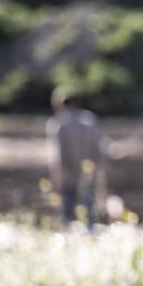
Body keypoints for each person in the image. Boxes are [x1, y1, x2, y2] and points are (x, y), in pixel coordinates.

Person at [46, 88, 106, 225]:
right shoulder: (90, 120)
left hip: (68, 177)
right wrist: (100, 175)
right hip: (89, 176)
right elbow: (100, 151)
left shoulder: (58, 124)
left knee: (67, 218)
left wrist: (57, 180)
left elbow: (57, 157)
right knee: (90, 216)